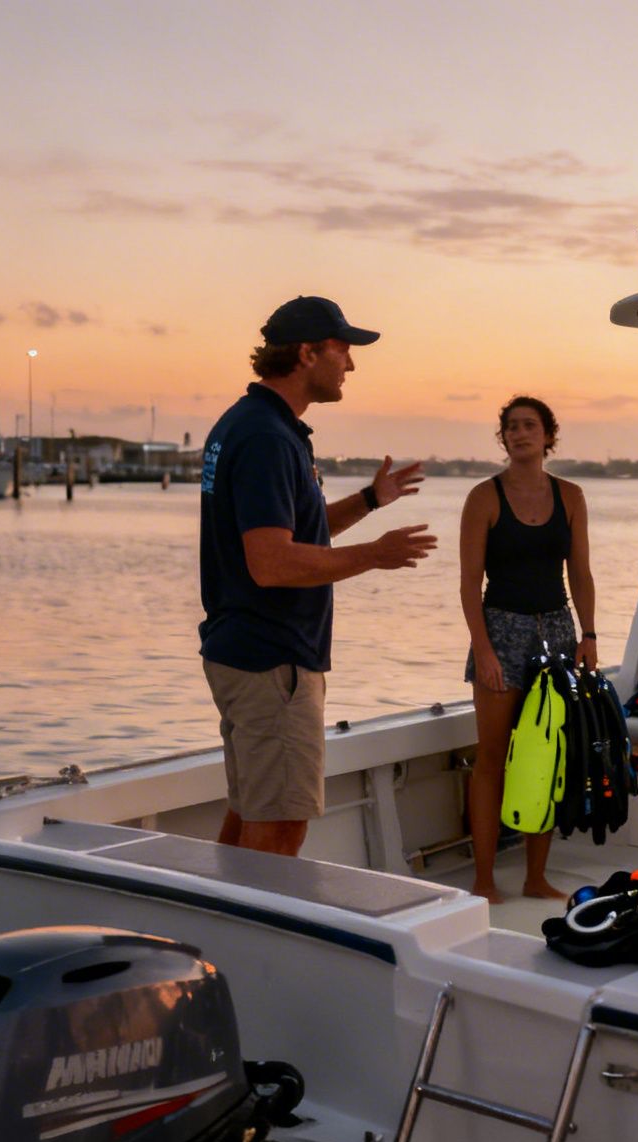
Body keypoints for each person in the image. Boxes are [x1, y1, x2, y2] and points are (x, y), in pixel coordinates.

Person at [200, 295, 436, 857]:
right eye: (342, 350)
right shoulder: (266, 438)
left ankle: (218, 933)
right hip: (272, 660)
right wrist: (374, 555)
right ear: (307, 353)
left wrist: (370, 501)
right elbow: (273, 562)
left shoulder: (257, 426)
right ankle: (252, 943)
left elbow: (293, 533)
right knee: (280, 826)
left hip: (248, 652)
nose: (350, 365)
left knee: (251, 812)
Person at [460, 396, 595, 903]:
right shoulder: (484, 497)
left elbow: (579, 573)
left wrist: (590, 635)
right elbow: (469, 584)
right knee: (492, 757)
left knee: (546, 755)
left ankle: (536, 877)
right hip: (501, 630)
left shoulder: (572, 496)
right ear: (504, 438)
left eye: (529, 426)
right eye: (511, 427)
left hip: (557, 633)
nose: (519, 434)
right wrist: (485, 650)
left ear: (547, 436)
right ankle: (483, 880)